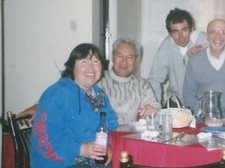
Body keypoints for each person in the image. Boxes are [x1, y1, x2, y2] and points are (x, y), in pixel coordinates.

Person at [31, 43, 119, 168]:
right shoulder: (58, 93)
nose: (91, 66)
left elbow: (111, 122)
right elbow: (45, 138)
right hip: (54, 166)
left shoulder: (97, 93)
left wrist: (110, 144)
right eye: (84, 61)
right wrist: (81, 148)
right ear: (72, 66)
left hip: (84, 163)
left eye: (96, 61)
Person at [18, 37, 160, 126]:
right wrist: (39, 107)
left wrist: (153, 111)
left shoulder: (142, 84)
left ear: (136, 61)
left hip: (126, 140)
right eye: (120, 56)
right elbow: (65, 91)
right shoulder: (95, 78)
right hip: (94, 141)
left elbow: (156, 110)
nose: (124, 61)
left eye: (130, 57)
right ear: (112, 57)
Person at [182, 19, 225, 115]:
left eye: (223, 32)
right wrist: (203, 113)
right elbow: (188, 94)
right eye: (213, 32)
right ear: (207, 36)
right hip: (205, 120)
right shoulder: (194, 61)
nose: (218, 36)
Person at [148, 8, 208, 105]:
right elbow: (155, 79)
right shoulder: (166, 46)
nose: (180, 36)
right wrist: (155, 105)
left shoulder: (205, 41)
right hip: (177, 102)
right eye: (175, 31)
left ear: (192, 29)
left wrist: (205, 52)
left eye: (184, 30)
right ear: (170, 34)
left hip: (202, 102)